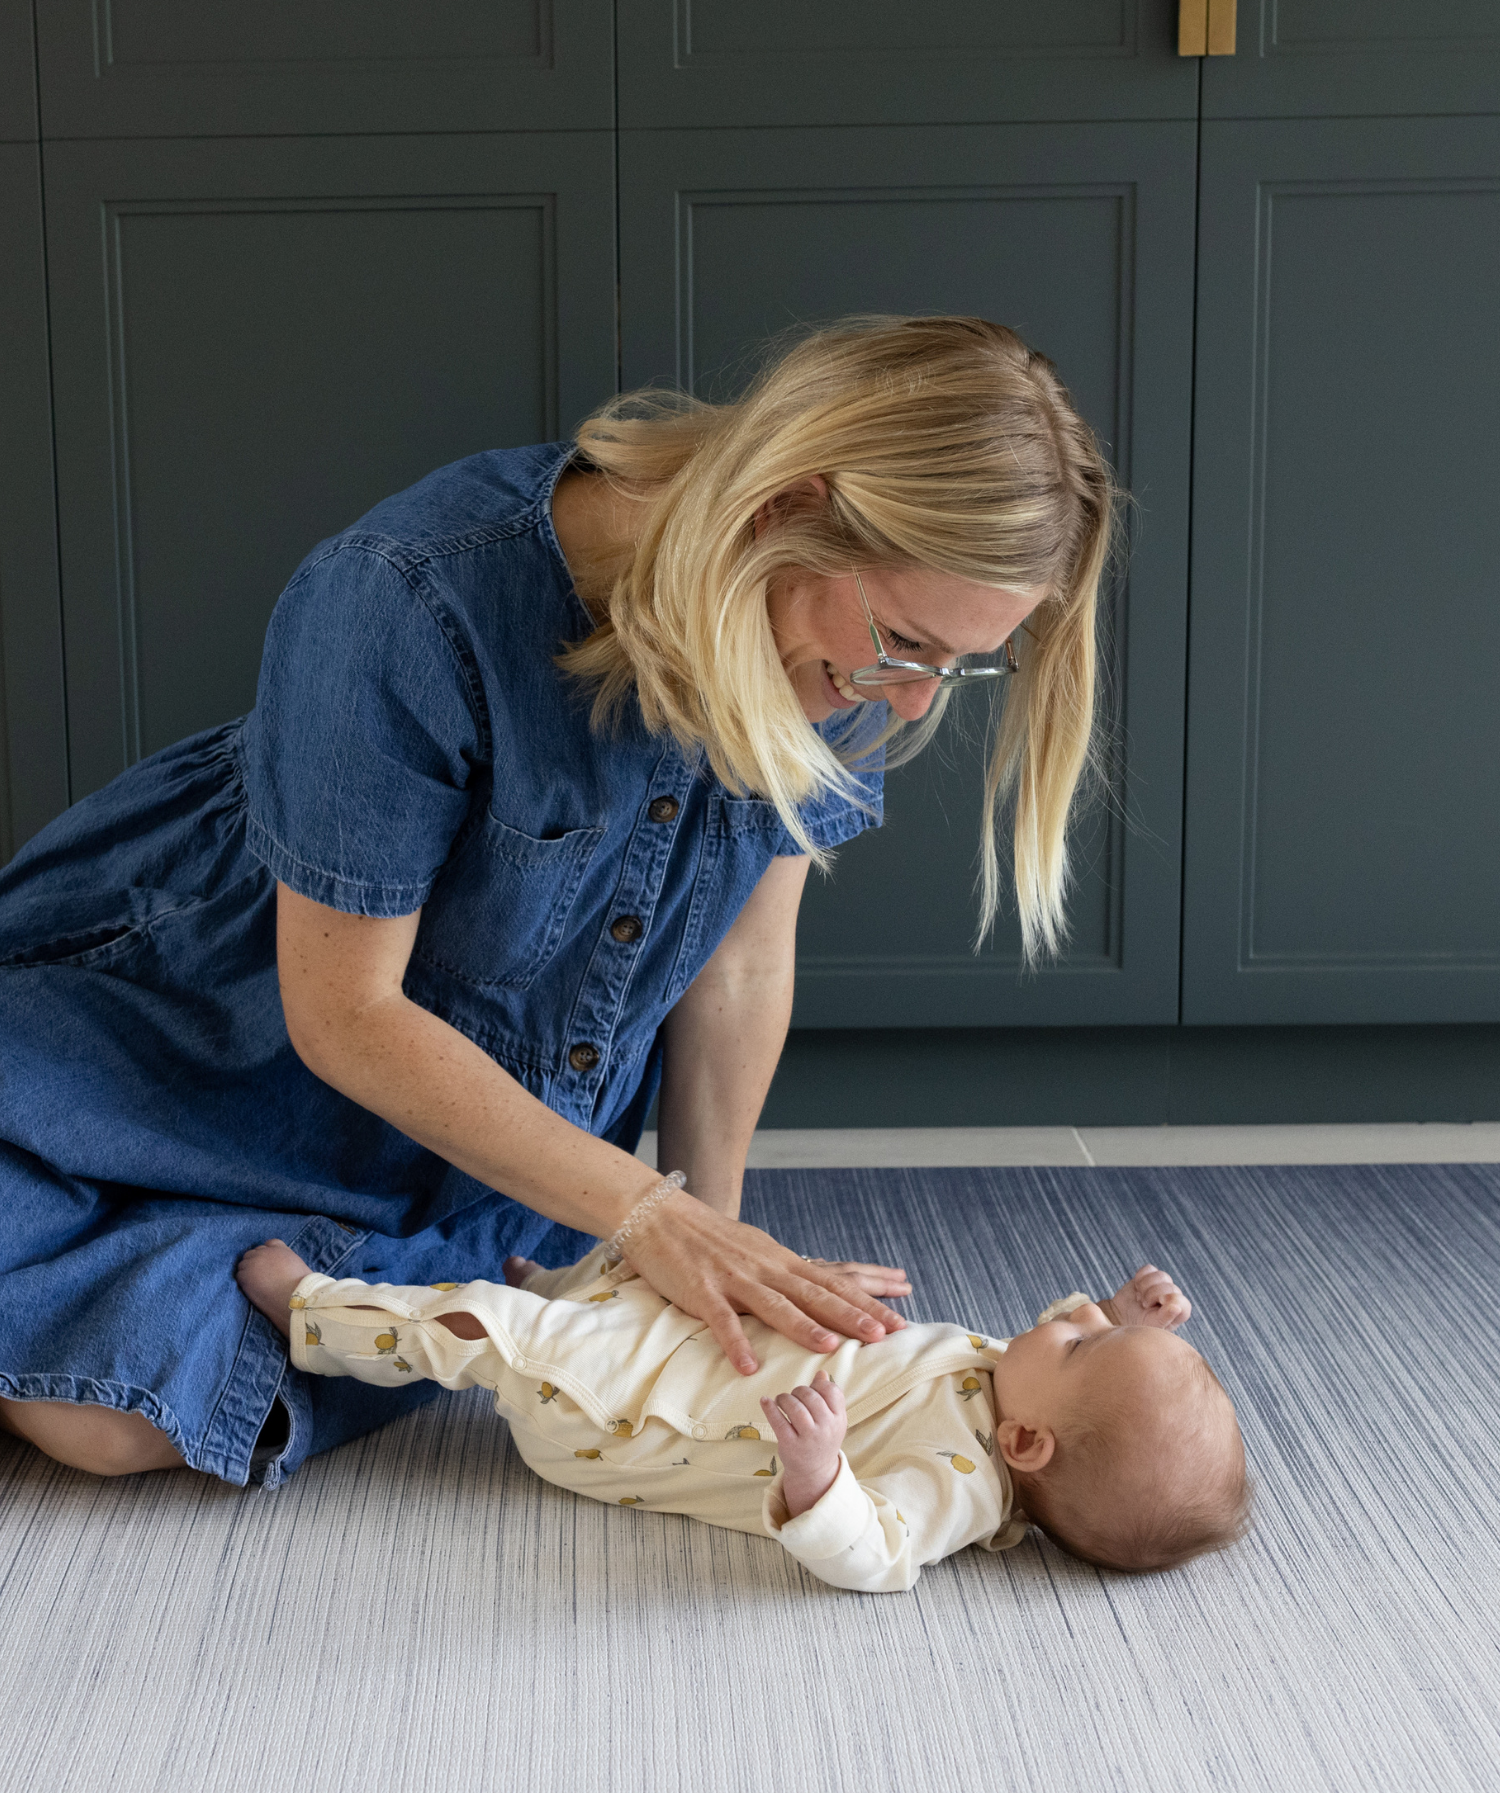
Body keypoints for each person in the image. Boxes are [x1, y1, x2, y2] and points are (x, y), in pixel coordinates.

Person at [0, 316, 1113, 1487]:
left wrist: (705, 1252)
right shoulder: (404, 596)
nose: (909, 698)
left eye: (960, 663)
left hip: (485, 1148)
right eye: (909, 644)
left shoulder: (853, 655)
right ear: (786, 506)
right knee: (99, 1387)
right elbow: (343, 1013)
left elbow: (740, 964)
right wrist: (649, 1218)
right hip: (186, 1044)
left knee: (117, 1426)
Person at [235, 1229, 1250, 1589]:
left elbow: (880, 1554)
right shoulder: (1024, 1399)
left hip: (637, 1417)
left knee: (484, 1329)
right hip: (703, 1356)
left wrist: (821, 1479)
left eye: (1085, 1336)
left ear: (1027, 1443)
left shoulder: (963, 1482)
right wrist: (1119, 1316)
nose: (1066, 1314)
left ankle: (315, 1313)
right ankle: (562, 1285)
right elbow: (1062, 1359)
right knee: (644, 1270)